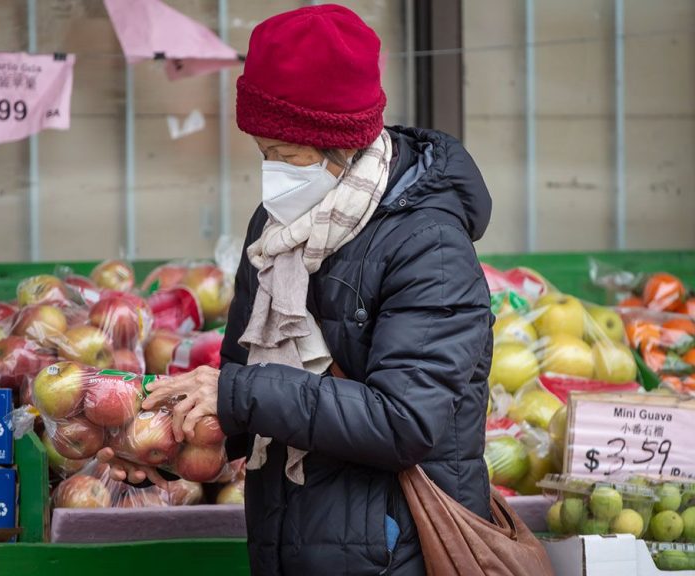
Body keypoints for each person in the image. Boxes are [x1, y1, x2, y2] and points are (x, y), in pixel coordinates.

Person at [99, 4, 493, 574]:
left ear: (340, 145)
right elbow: (243, 380)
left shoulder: (429, 248)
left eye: (286, 155)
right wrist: (168, 441)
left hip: (393, 552)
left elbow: (404, 422)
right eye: (263, 153)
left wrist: (235, 395)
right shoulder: (278, 229)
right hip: (288, 542)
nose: (272, 174)